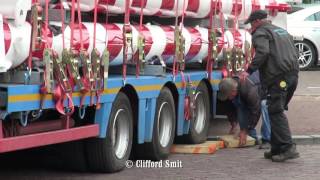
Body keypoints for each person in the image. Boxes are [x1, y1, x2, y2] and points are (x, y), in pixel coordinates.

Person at [242, 9, 300, 162]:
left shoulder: (260, 33)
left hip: (278, 77)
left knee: (275, 110)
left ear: (257, 22)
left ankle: (288, 148)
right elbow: (295, 52)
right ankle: (276, 147)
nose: (251, 28)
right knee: (275, 109)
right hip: (293, 75)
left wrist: (249, 70)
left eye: (252, 24)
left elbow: (263, 52)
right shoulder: (282, 31)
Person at [217, 74, 261, 146]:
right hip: (246, 94)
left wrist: (246, 130)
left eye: (228, 96)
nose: (228, 98)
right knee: (240, 107)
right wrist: (233, 123)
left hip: (263, 92)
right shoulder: (230, 86)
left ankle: (264, 140)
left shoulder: (250, 92)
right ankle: (247, 135)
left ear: (234, 91)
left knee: (264, 107)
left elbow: (255, 111)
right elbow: (229, 108)